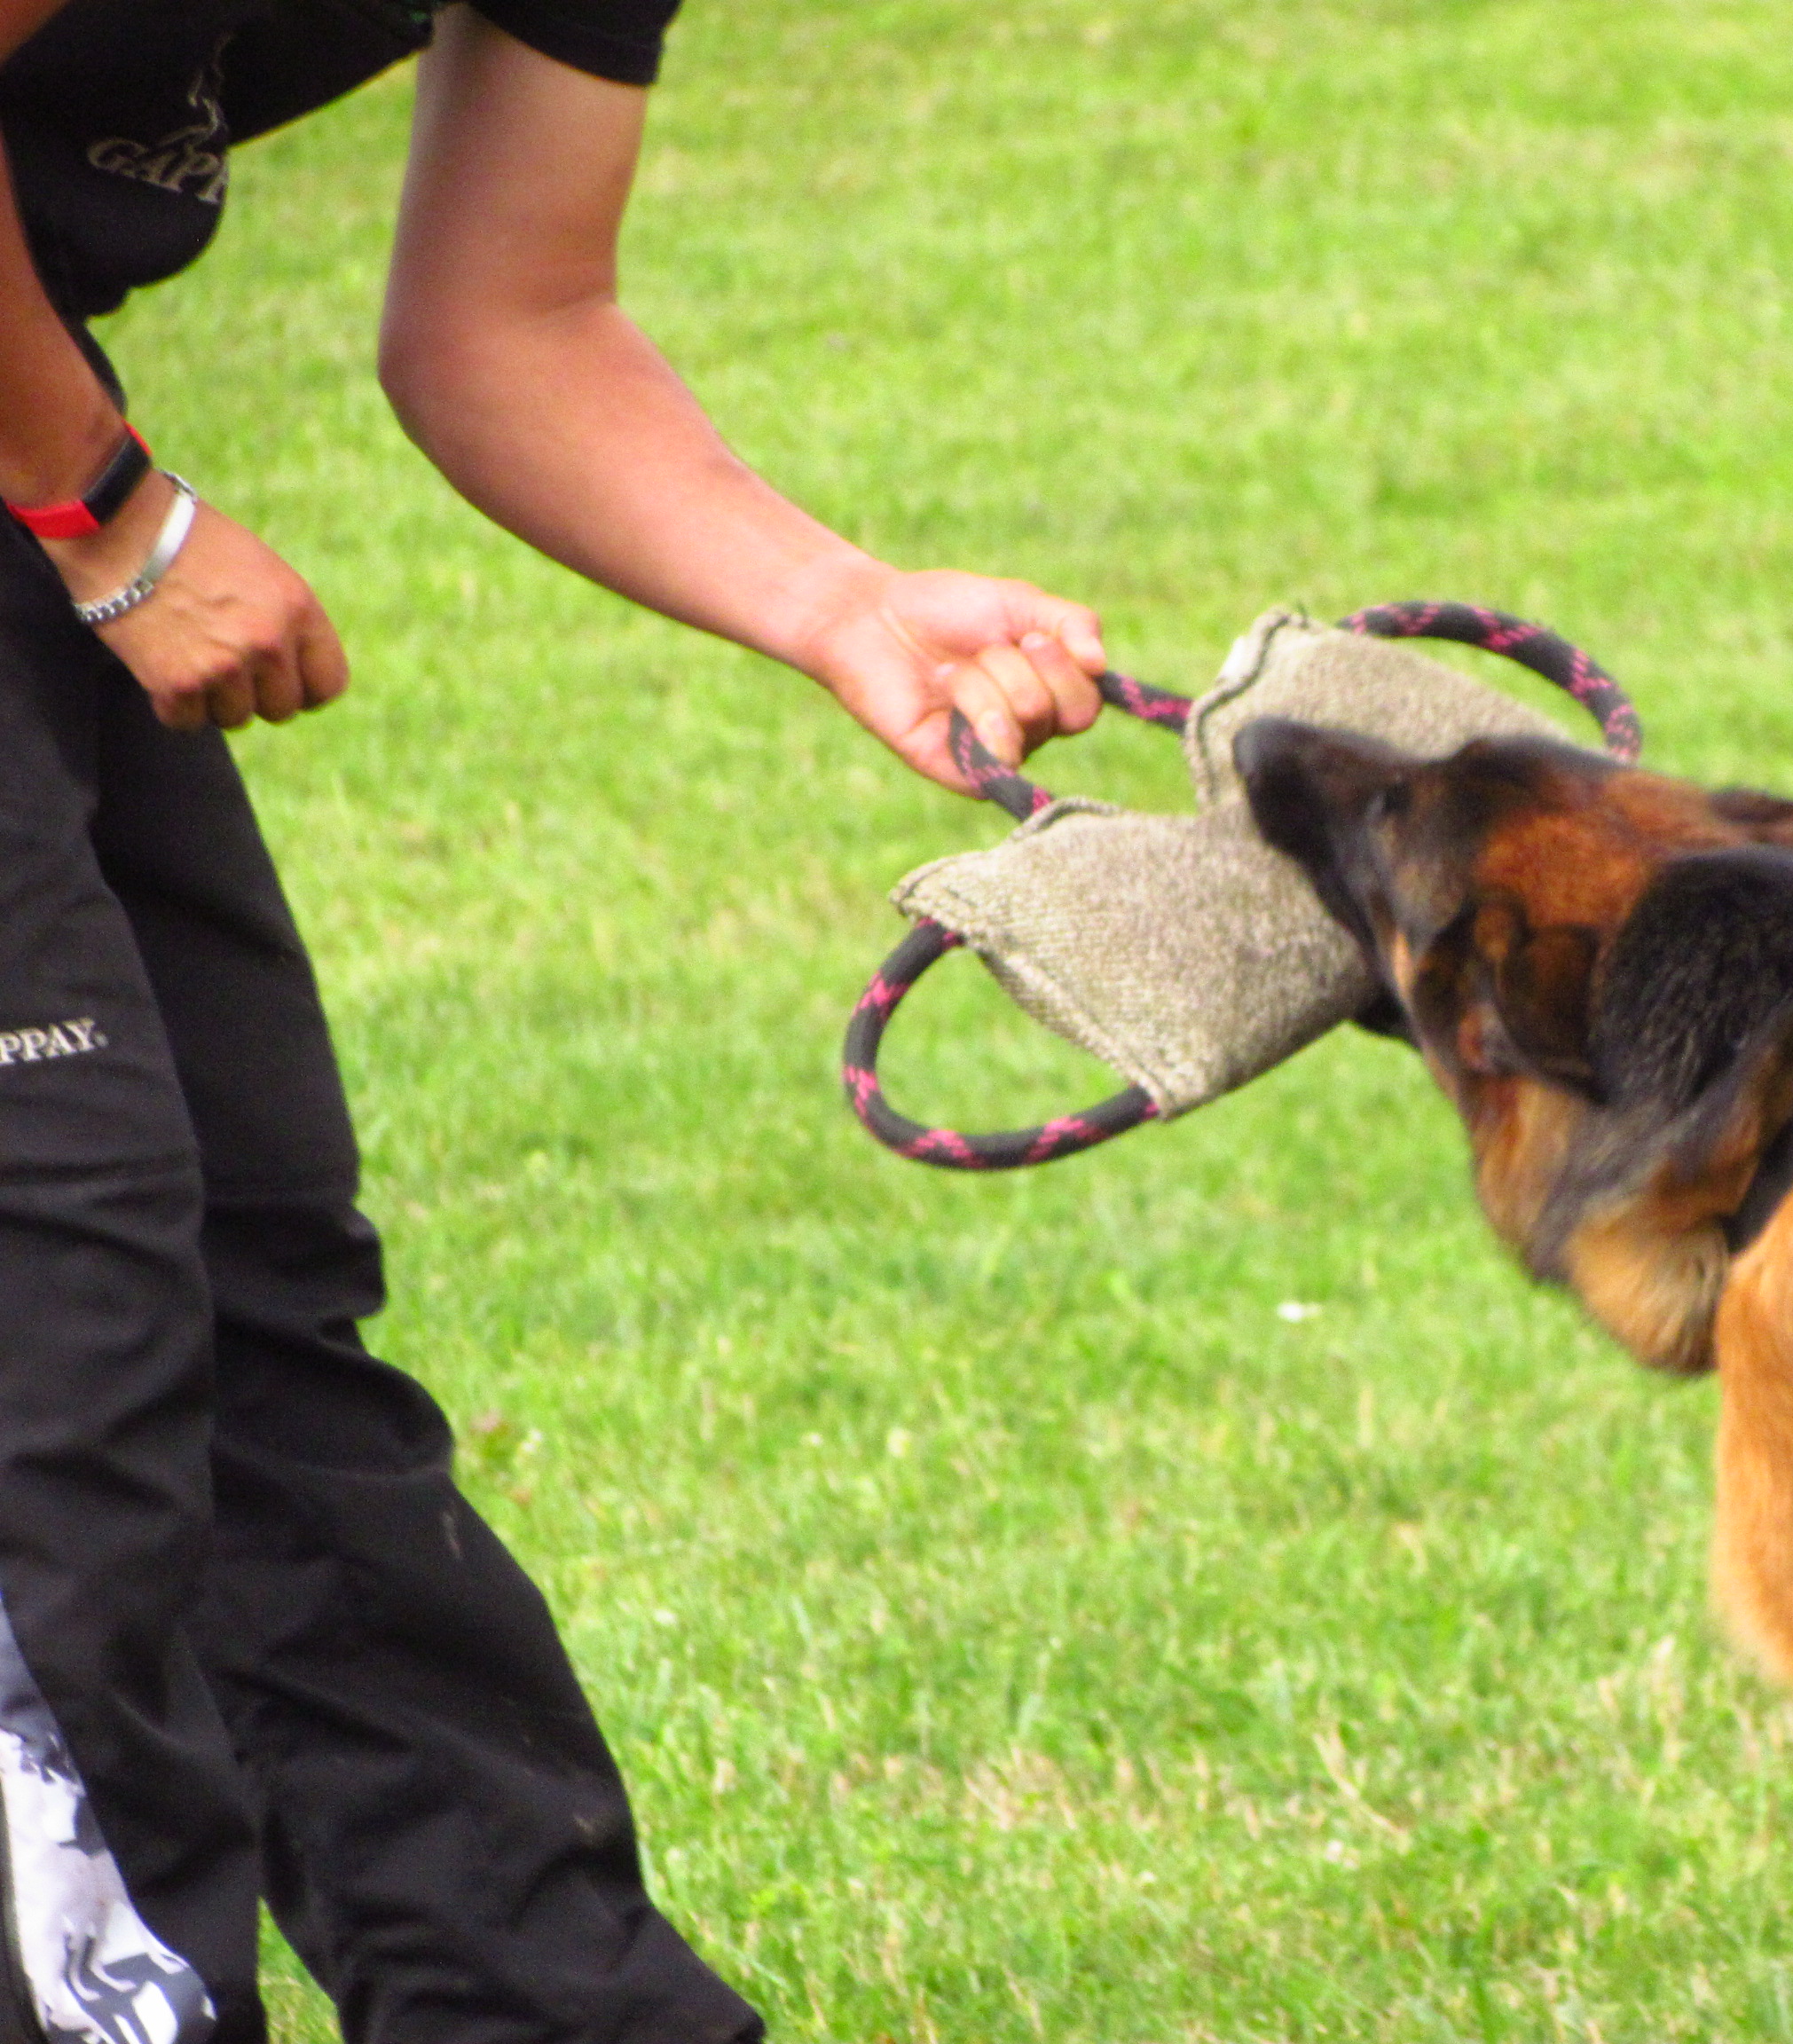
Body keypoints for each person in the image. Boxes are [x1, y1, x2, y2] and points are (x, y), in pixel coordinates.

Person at [0, 3, 1105, 2040]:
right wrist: (106, 506)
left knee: (238, 1289)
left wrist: (842, 607)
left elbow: (510, 320)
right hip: (46, 467)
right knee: (51, 1330)